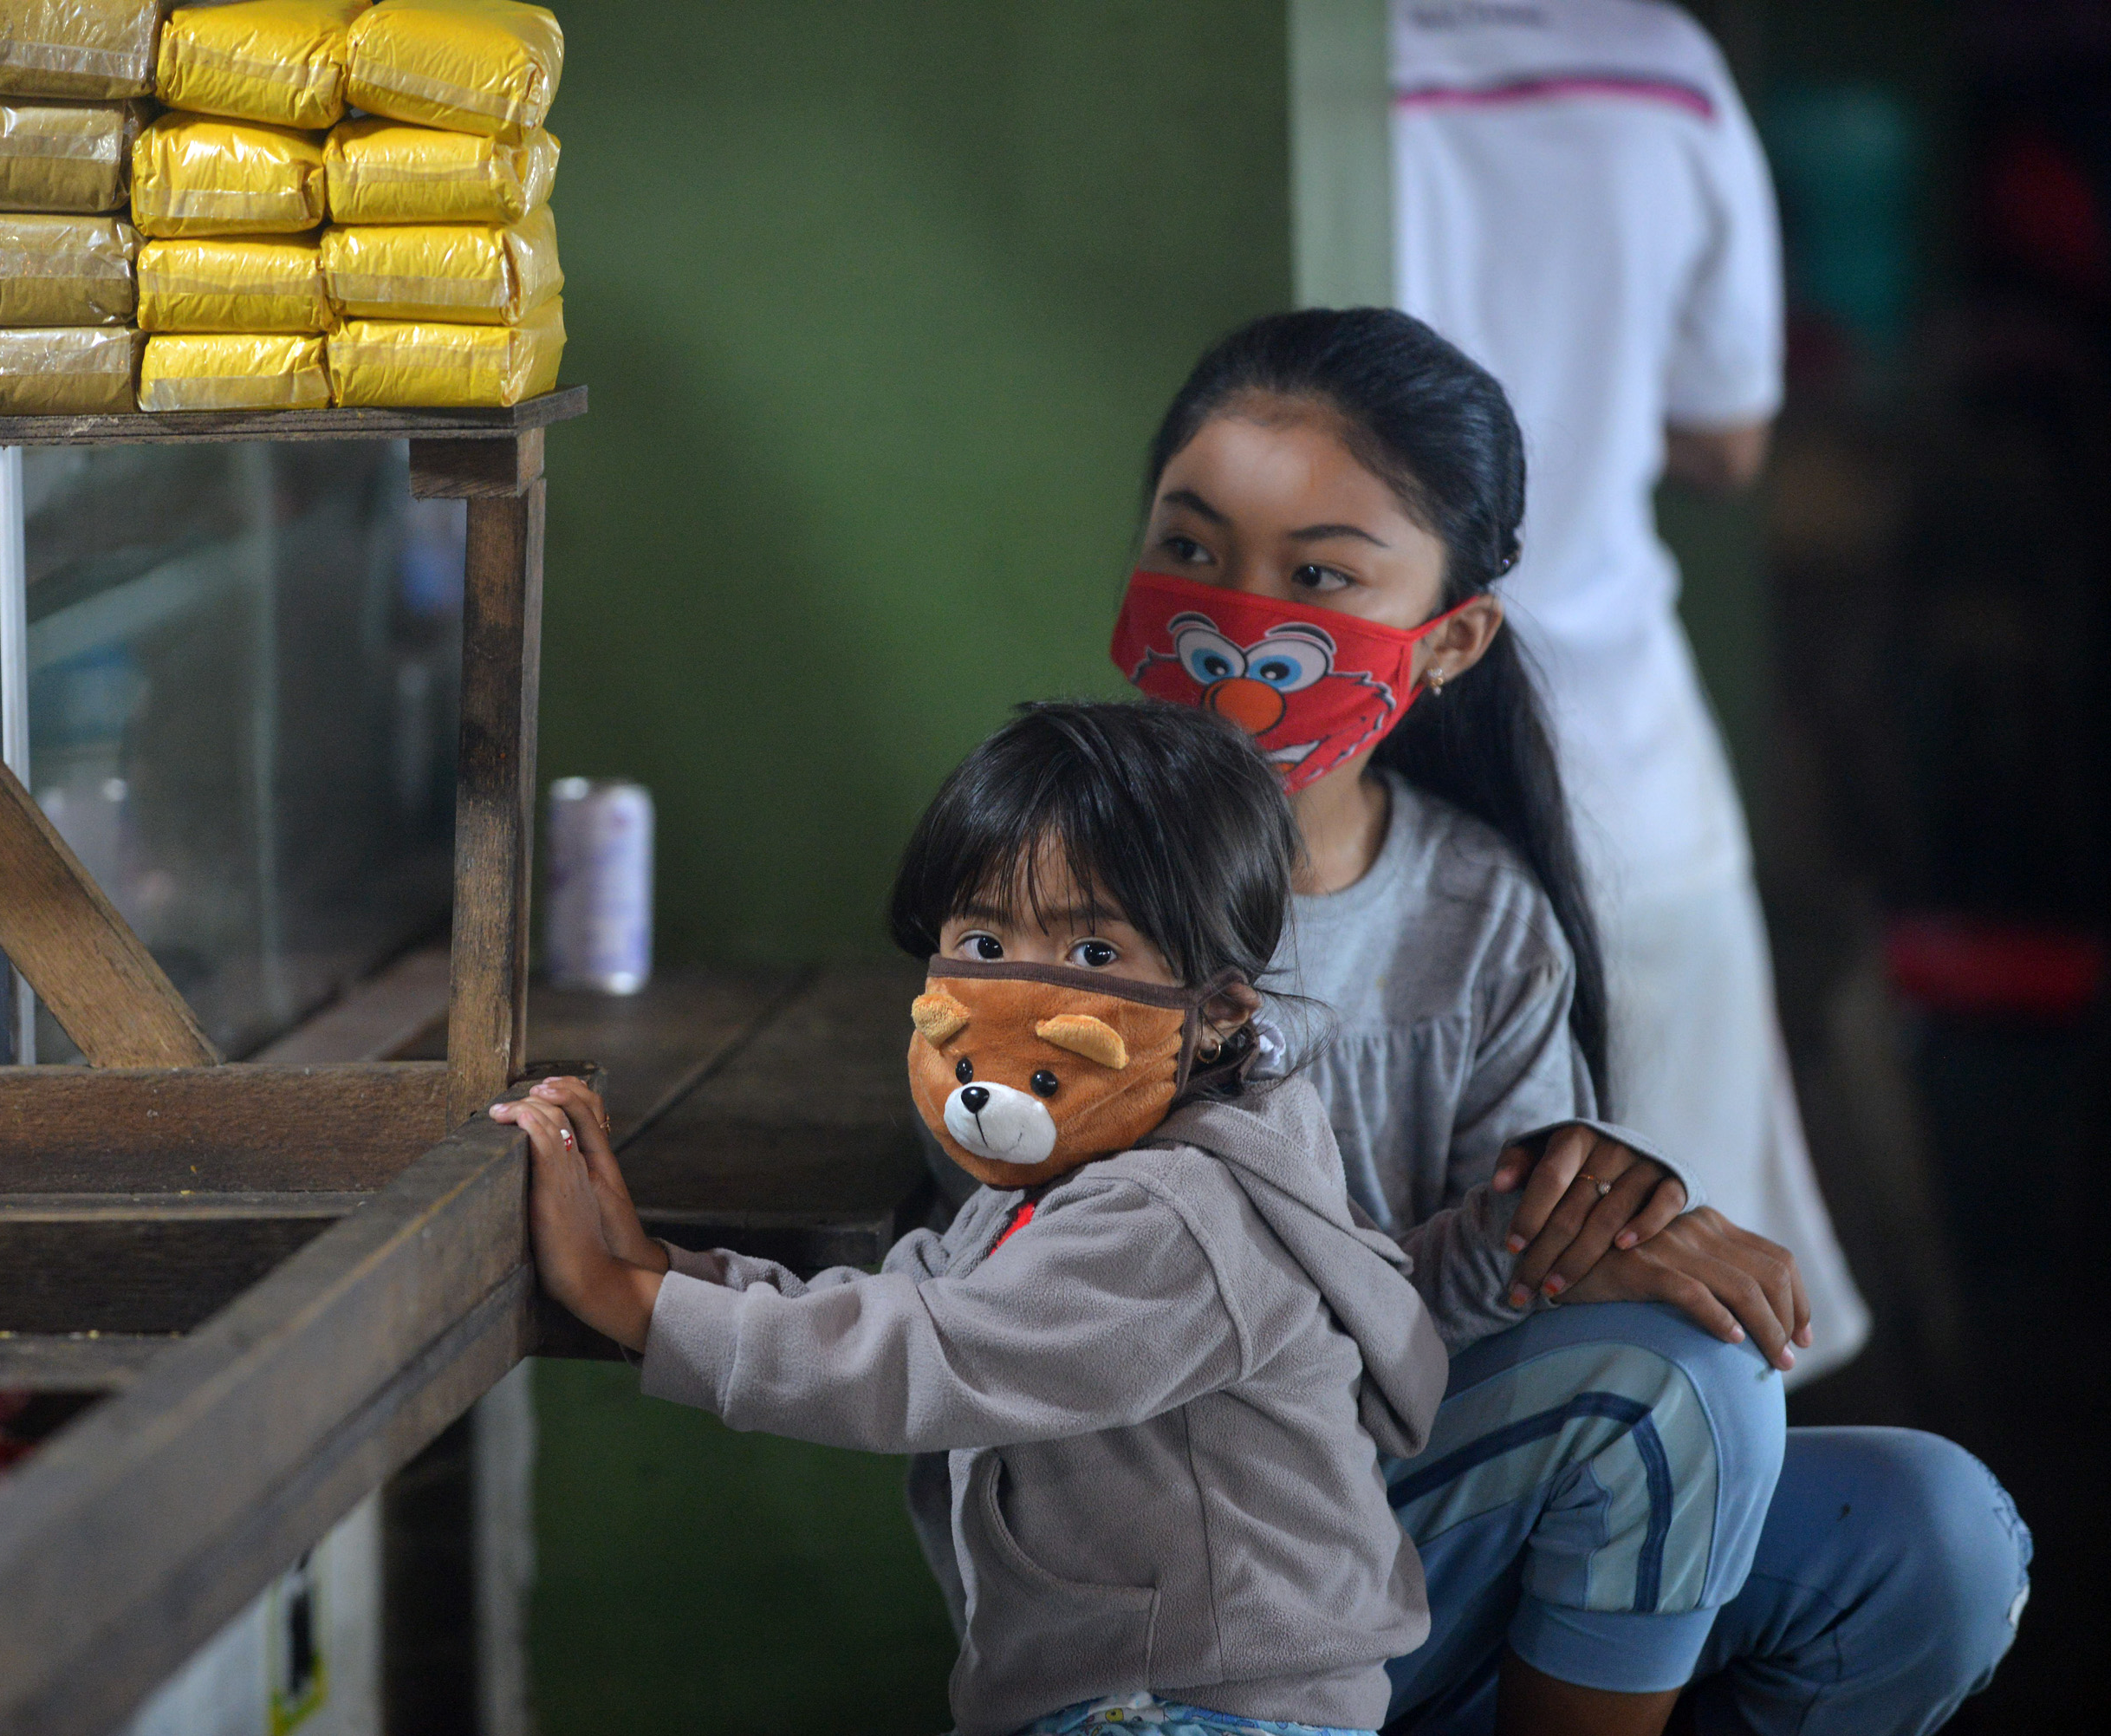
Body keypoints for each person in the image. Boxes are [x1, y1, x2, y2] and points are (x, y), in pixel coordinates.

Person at [1093, 307, 2027, 1734]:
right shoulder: (1050, 896)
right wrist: (1540, 1253)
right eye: (1190, 547)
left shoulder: (1482, 908)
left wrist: (1612, 1232)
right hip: (1194, 1588)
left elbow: (1526, 1318)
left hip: (1429, 1540)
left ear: (1450, 638)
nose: (1235, 615)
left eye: (1322, 573)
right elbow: (1134, 1337)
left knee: (1934, 1531)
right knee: (1673, 1375)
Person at [505, 701, 1449, 1736]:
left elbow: (931, 1354)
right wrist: (661, 1269)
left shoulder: (1178, 1216)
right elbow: (907, 1303)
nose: (1014, 992)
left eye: (1094, 952)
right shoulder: (1059, 1174)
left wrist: (624, 1299)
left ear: (1220, 1009)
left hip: (1203, 1712)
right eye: (985, 939)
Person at [1391, 0, 1873, 1377]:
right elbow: (1726, 440)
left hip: (1372, 762)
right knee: (1707, 1312)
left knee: (1425, 1336)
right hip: (1625, 768)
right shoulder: (1663, 70)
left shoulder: (1304, 71)